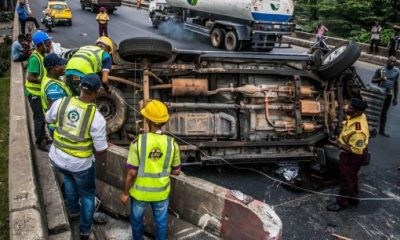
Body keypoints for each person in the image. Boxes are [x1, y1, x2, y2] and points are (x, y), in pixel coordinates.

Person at [45, 73, 108, 240]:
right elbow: (101, 149)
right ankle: (85, 231)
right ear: (97, 92)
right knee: (87, 195)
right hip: (80, 164)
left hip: (57, 158)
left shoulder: (61, 102)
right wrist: (102, 165)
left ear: (80, 87)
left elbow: (48, 118)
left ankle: (73, 212)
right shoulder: (97, 118)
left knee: (68, 181)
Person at [120, 99, 181, 240]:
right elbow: (176, 171)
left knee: (136, 221)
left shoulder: (138, 142)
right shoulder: (172, 144)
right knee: (161, 223)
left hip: (140, 195)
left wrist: (125, 193)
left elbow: (132, 172)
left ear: (147, 120)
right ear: (164, 121)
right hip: (161, 194)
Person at [326, 98, 369, 212]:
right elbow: (348, 121)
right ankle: (354, 197)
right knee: (352, 176)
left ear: (357, 112)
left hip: (353, 156)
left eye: (350, 108)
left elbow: (355, 150)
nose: (346, 108)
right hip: (352, 152)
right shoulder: (359, 115)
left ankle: (342, 203)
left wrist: (337, 145)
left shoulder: (358, 131)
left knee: (346, 179)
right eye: (348, 105)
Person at [26, 30, 52, 151]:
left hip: (39, 93)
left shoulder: (42, 56)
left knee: (43, 117)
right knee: (39, 118)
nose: (49, 45)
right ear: (40, 45)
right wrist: (43, 81)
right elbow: (30, 77)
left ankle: (44, 136)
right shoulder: (35, 58)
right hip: (34, 94)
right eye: (47, 43)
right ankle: (40, 142)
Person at [41, 53, 72, 137]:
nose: (63, 67)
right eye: (60, 65)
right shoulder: (53, 89)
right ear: (52, 68)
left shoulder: (49, 78)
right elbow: (56, 113)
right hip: (59, 128)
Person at [372, 56, 399, 137]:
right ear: (387, 61)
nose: (392, 63)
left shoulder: (396, 71)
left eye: (394, 62)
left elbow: (396, 84)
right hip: (380, 93)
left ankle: (382, 130)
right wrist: (380, 79)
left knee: (384, 113)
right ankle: (372, 128)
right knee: (376, 112)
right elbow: (373, 80)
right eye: (390, 61)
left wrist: (395, 97)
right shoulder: (381, 69)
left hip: (389, 94)